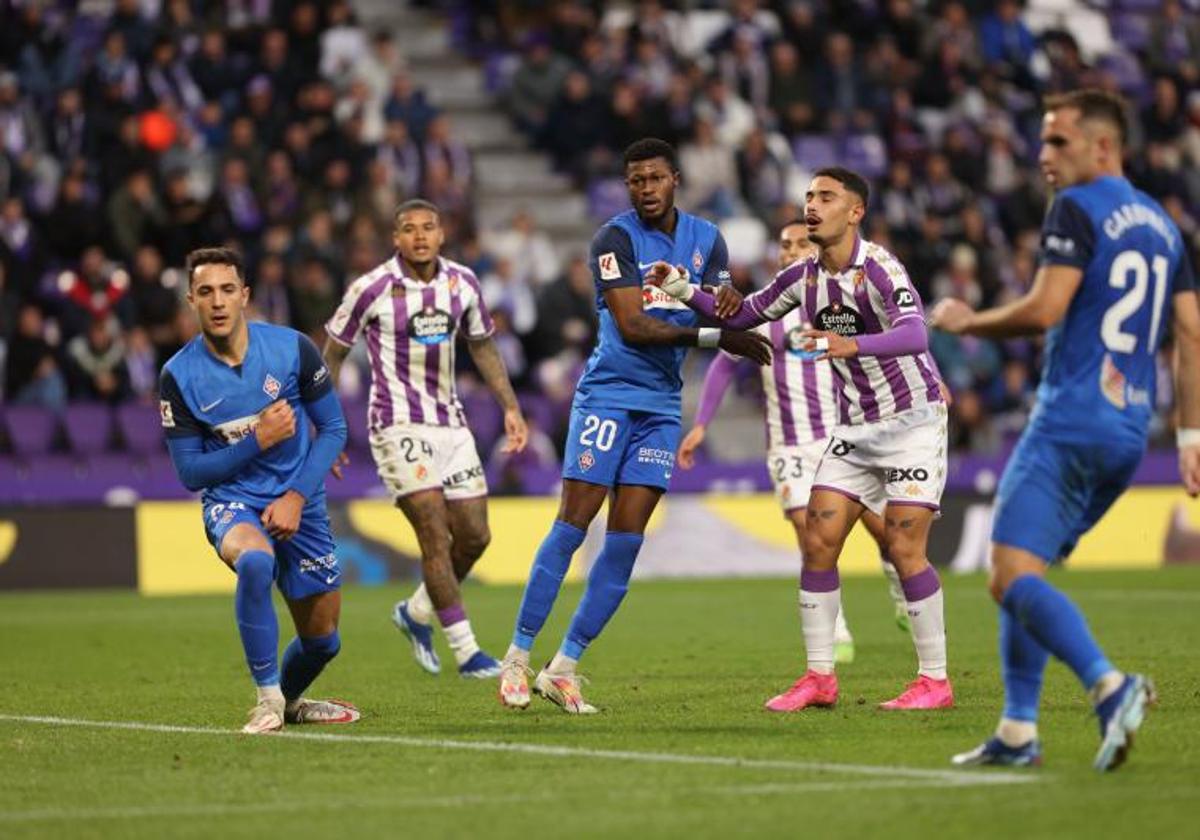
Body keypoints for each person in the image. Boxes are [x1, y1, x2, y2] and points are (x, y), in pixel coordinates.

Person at [931, 90, 1200, 771]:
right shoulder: (1166, 227)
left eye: (1058, 141)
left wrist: (970, 321)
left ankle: (1111, 687)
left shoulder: (1077, 209)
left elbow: (1045, 308)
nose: (1043, 155)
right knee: (1023, 566)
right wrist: (1192, 437)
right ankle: (1018, 731)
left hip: (1070, 417)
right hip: (1130, 433)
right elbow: (1192, 333)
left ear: (1102, 146)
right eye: (1044, 141)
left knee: (1005, 577)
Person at [655, 167, 954, 712]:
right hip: (854, 428)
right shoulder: (802, 279)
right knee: (817, 542)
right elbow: (744, 314)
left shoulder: (880, 266)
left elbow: (916, 333)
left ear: (855, 211)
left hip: (912, 422)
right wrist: (680, 288)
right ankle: (820, 677)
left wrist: (851, 346)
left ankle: (934, 680)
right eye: (809, 196)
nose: (812, 205)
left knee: (905, 546)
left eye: (825, 197)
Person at [498, 138, 772, 713]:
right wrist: (716, 336)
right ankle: (517, 660)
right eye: (635, 181)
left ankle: (564, 667)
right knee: (574, 526)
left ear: (675, 178)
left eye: (655, 178)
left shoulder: (707, 238)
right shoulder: (614, 238)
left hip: (662, 407)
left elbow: (718, 302)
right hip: (608, 396)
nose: (645, 189)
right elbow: (633, 326)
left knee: (624, 544)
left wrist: (731, 307)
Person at [676, 220, 912, 690]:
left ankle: (902, 593)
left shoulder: (837, 300)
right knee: (813, 539)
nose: (790, 251)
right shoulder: (770, 306)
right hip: (788, 443)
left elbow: (886, 342)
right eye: (784, 245)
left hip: (843, 434)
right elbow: (726, 360)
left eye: (799, 243)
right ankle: (837, 630)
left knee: (884, 531)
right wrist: (701, 423)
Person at [323, 199, 528, 679]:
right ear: (395, 239)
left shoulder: (463, 283)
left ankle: (415, 613)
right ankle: (468, 651)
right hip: (396, 426)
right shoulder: (370, 288)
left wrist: (511, 407)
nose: (419, 236)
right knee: (435, 533)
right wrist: (327, 427)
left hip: (451, 425)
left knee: (476, 536)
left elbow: (482, 344)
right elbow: (331, 355)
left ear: (441, 234)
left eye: (428, 227)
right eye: (409, 229)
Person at [160, 247, 356, 734]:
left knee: (324, 641)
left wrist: (295, 497)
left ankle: (289, 700)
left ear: (245, 295)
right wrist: (257, 439)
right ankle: (268, 700)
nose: (218, 301)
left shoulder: (292, 349)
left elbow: (333, 429)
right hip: (234, 500)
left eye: (228, 290)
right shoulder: (178, 377)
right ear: (191, 300)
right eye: (206, 292)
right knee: (255, 561)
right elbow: (190, 473)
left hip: (298, 499)